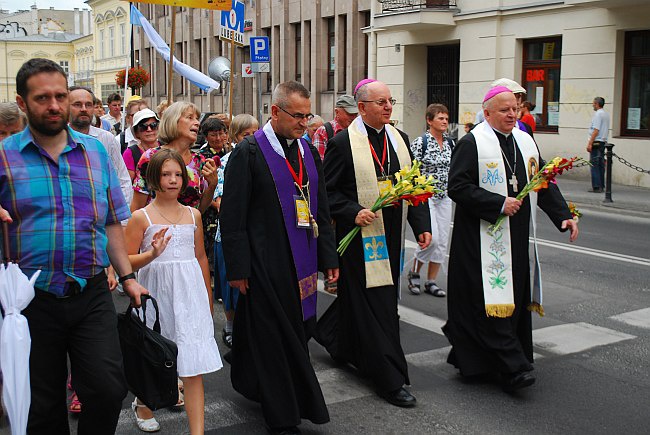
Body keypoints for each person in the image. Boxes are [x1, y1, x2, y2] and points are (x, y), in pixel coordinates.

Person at [0, 58, 148, 434]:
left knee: (107, 388)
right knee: (42, 404)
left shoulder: (95, 152)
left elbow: (112, 221)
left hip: (90, 290)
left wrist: (128, 276)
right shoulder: (4, 156)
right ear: (22, 102)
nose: (53, 105)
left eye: (60, 96)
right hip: (29, 300)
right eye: (42, 97)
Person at [220, 81, 338, 435]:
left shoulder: (307, 151)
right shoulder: (249, 153)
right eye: (298, 116)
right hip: (264, 264)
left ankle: (271, 389)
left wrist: (329, 257)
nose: (306, 123)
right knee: (274, 337)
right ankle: (283, 414)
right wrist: (238, 269)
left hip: (300, 259)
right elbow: (233, 217)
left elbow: (322, 207)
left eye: (308, 115)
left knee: (297, 332)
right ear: (275, 111)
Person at [442, 86, 579, 393]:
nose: (512, 115)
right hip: (480, 236)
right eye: (504, 110)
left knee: (510, 299)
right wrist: (497, 203)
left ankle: (481, 361)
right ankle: (512, 367)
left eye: (515, 109)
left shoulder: (525, 141)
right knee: (488, 300)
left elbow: (542, 181)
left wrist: (563, 215)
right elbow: (457, 187)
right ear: (487, 112)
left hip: (514, 236)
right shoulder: (472, 143)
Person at [315, 79, 432, 408]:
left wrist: (420, 225)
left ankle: (337, 340)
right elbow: (328, 194)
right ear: (362, 107)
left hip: (391, 237)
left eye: (390, 101)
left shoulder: (400, 140)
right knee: (378, 306)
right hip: (359, 239)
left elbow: (411, 187)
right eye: (380, 102)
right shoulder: (342, 143)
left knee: (363, 300)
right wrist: (353, 211)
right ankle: (389, 378)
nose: (388, 107)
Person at [125, 149, 222, 434]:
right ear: (153, 179)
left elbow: (201, 257)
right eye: (166, 174)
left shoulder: (193, 215)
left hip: (189, 294)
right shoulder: (141, 217)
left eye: (178, 174)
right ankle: (142, 402)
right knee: (156, 355)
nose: (173, 180)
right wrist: (151, 254)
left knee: (192, 367)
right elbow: (126, 259)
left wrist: (206, 295)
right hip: (156, 294)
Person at [213, 113, 259, 348]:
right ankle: (230, 326)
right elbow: (220, 200)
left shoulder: (263, 158)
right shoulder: (226, 161)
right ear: (234, 137)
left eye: (254, 133)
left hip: (256, 236)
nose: (250, 139)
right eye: (245, 135)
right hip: (229, 235)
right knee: (232, 286)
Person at [130, 101, 218, 214]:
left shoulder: (199, 161)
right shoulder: (151, 157)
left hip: (188, 228)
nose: (197, 122)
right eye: (190, 117)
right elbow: (137, 207)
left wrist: (212, 185)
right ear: (173, 122)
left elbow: (199, 210)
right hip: (156, 228)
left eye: (197, 118)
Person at [407, 103, 454, 297]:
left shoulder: (451, 143)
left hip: (445, 197)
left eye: (446, 118)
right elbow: (411, 169)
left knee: (442, 241)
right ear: (429, 120)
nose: (444, 122)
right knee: (431, 239)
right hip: (427, 197)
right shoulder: (421, 143)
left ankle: (431, 281)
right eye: (440, 118)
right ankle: (414, 271)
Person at [69, 86, 133, 210]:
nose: (83, 109)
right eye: (77, 104)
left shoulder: (107, 139)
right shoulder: (58, 139)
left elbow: (122, 180)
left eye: (88, 105)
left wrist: (121, 219)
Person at [312, 94, 358, 160]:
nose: (354, 118)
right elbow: (319, 165)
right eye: (350, 114)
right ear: (337, 112)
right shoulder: (323, 132)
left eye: (355, 114)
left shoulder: (359, 131)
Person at [122, 108, 160, 181]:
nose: (149, 129)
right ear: (136, 133)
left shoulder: (166, 147)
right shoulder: (130, 153)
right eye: (143, 127)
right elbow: (127, 184)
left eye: (153, 125)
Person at [586, 96, 609, 193]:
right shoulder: (605, 114)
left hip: (596, 141)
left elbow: (596, 130)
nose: (592, 105)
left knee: (594, 163)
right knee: (600, 164)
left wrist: (590, 143)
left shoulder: (598, 115)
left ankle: (596, 186)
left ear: (597, 104)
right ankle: (601, 185)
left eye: (593, 103)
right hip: (603, 141)